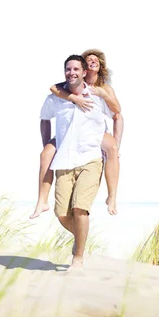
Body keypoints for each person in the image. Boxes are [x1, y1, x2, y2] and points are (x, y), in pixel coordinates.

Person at [39, 55, 114, 269]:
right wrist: (47, 144)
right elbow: (44, 118)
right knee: (61, 213)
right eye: (68, 69)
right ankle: (81, 238)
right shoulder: (55, 98)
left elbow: (117, 112)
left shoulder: (97, 95)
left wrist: (115, 144)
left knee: (80, 208)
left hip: (91, 158)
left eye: (76, 69)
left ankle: (78, 258)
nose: (71, 72)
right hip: (64, 160)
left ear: (83, 73)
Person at [30, 49, 123, 219]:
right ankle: (42, 200)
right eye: (89, 59)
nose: (93, 61)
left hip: (93, 132)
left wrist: (117, 143)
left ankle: (112, 197)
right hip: (69, 132)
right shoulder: (69, 87)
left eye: (96, 60)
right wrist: (74, 98)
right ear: (84, 67)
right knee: (46, 154)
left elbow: (117, 113)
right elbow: (53, 88)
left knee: (112, 149)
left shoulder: (102, 89)